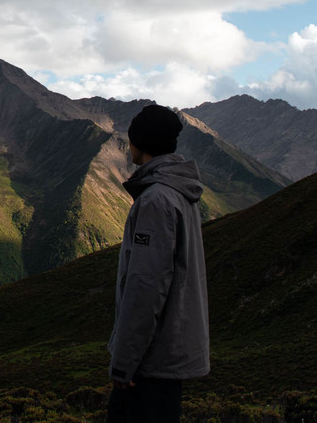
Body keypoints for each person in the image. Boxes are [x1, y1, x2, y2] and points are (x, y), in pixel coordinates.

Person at [107, 104, 210, 423]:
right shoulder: (179, 193)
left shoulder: (155, 200)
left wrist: (124, 363)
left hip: (149, 364)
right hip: (167, 357)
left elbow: (146, 287)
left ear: (140, 142)